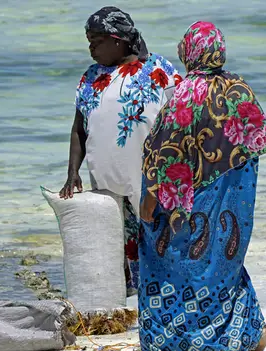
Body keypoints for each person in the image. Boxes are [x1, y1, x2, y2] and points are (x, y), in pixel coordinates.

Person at [138, 21, 266, 351]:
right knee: (220, 263)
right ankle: (238, 333)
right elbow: (253, 148)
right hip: (233, 204)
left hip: (189, 203)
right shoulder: (240, 89)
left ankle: (172, 340)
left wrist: (149, 200)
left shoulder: (184, 95)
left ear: (189, 52)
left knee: (174, 261)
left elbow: (164, 154)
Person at [59, 6, 182, 296]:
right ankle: (133, 300)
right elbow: (79, 129)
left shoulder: (158, 70)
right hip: (105, 183)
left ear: (118, 40)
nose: (91, 48)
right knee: (117, 245)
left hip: (149, 180)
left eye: (96, 41)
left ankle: (166, 296)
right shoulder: (90, 78)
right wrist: (72, 172)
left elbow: (180, 121)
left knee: (159, 238)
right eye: (89, 41)